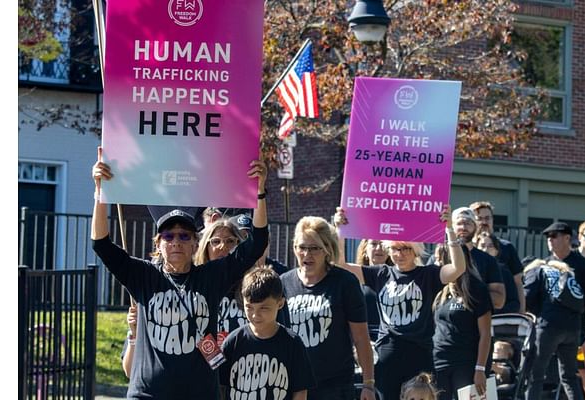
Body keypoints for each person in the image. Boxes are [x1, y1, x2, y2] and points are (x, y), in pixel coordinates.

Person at [91, 146, 269, 399]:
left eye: (185, 236)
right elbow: (101, 244)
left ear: (196, 244)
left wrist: (260, 191)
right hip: (147, 394)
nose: (176, 241)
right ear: (158, 244)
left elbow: (257, 242)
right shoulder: (142, 276)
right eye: (169, 236)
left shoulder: (211, 276)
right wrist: (99, 192)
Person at [333, 206, 466, 400]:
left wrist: (450, 230)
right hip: (388, 354)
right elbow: (341, 266)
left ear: (415, 250)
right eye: (395, 248)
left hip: (419, 353)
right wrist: (340, 230)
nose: (399, 253)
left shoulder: (427, 275)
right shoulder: (381, 273)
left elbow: (458, 268)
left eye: (405, 248)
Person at [280, 216, 375, 400]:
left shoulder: (345, 282)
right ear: (294, 248)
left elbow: (361, 337)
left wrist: (368, 384)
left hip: (335, 386)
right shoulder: (284, 283)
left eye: (314, 248)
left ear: (326, 250)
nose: (307, 254)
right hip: (294, 384)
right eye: (302, 247)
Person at [219, 266, 316, 400]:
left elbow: (300, 391)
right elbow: (220, 387)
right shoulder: (233, 342)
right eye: (249, 307)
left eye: (264, 308)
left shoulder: (292, 343)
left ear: (280, 303)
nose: (255, 315)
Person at [523, 257, 585, 400]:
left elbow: (527, 296)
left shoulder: (536, 271)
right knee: (569, 376)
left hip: (549, 326)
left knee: (535, 375)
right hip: (573, 328)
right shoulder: (565, 273)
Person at [431, 248, 492, 400]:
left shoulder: (476, 289)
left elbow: (485, 333)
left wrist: (480, 369)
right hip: (439, 361)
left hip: (466, 362)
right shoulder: (439, 288)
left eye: (440, 258)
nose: (436, 262)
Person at [469, 201, 525, 312]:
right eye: (479, 218)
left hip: (502, 310)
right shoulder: (467, 248)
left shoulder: (507, 247)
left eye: (487, 218)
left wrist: (522, 311)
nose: (484, 222)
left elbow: (518, 282)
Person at [452, 207, 506, 310]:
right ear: (452, 227)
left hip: (476, 321)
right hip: (443, 323)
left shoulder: (488, 260)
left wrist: (467, 295)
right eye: (459, 223)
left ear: (475, 227)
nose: (463, 227)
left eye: (468, 223)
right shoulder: (440, 257)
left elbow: (499, 300)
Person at [474, 231, 521, 313]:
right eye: (482, 246)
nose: (485, 250)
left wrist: (493, 312)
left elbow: (514, 304)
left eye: (490, 246)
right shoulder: (470, 271)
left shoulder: (505, 272)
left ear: (497, 251)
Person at [356, 239, 392, 339]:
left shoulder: (399, 278)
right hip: (364, 339)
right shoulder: (354, 278)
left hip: (391, 340)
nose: (379, 248)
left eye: (383, 244)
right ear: (365, 251)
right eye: (374, 244)